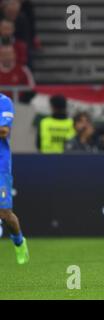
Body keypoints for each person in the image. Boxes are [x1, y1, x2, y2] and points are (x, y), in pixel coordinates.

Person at [0, 92, 29, 264]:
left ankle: (19, 241)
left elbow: (4, 130)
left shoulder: (4, 102)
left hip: (1, 165)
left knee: (4, 213)